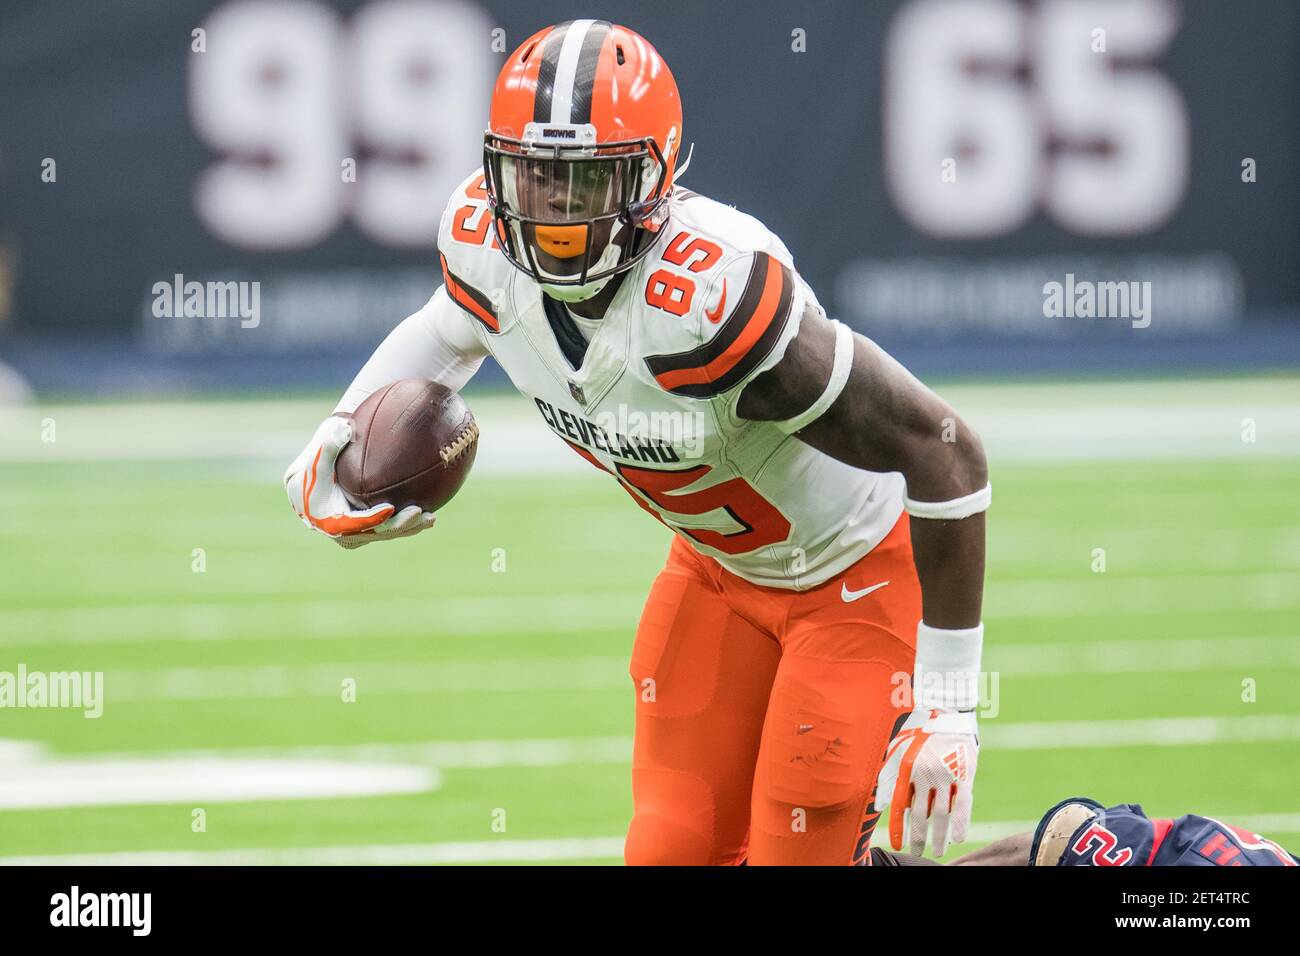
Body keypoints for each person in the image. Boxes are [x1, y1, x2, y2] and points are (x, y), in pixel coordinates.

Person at [284, 20, 989, 866]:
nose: (553, 216)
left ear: (654, 177)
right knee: (668, 851)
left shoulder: (711, 299)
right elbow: (443, 332)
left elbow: (946, 450)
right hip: (719, 574)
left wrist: (948, 705)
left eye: (583, 188)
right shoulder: (485, 252)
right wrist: (335, 437)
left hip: (854, 580)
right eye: (534, 180)